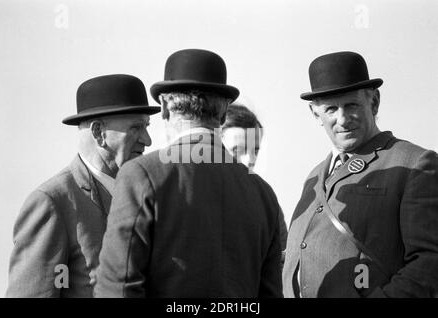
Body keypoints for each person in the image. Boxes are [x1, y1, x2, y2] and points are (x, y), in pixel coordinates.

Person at [95, 49, 283, 297]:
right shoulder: (262, 193)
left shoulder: (141, 174)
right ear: (224, 111)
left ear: (163, 106)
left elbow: (117, 288)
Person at [282, 51, 438, 298]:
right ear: (315, 114)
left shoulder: (415, 163)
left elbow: (430, 263)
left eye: (351, 105)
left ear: (374, 102)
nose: (342, 119)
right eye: (331, 109)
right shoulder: (313, 178)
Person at [6, 74, 160, 297]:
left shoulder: (145, 194)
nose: (148, 140)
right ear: (98, 132)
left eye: (146, 126)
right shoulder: (52, 202)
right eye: (136, 127)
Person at [221, 103, 288, 256]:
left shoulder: (268, 205)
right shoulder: (191, 201)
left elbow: (282, 266)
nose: (248, 161)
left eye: (255, 151)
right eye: (237, 150)